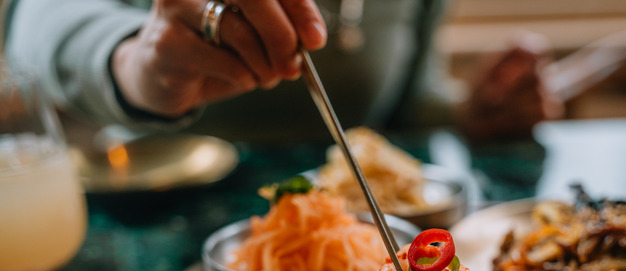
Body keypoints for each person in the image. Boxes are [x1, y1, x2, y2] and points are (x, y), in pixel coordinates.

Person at [1, 0, 559, 144]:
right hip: (151, 217)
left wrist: (469, 111)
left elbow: (404, 95)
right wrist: (135, 60)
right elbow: (33, 19)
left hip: (348, 256)